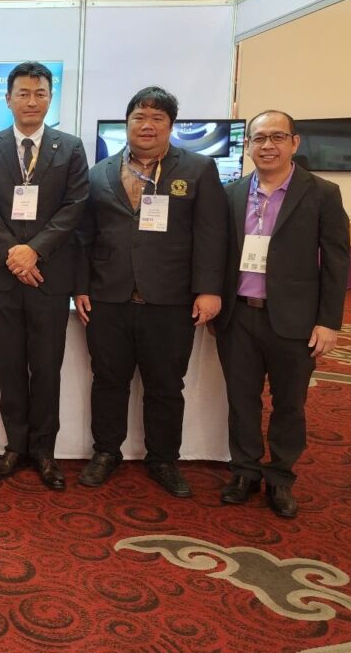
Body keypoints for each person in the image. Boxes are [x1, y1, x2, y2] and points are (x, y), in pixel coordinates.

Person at [74, 86, 227, 498]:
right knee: (108, 381)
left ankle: (163, 459)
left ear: (171, 126)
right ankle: (106, 452)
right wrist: (81, 287)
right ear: (127, 124)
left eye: (158, 118)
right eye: (139, 117)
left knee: (165, 386)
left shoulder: (197, 169)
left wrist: (208, 289)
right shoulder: (99, 173)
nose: (147, 125)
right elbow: (85, 236)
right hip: (109, 299)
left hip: (170, 301)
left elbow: (211, 235)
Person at [214, 110, 350, 518]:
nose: (267, 145)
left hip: (295, 320)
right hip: (239, 315)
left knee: (289, 403)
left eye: (277, 137)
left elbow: (337, 262)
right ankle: (244, 471)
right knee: (241, 400)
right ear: (248, 146)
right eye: (259, 138)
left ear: (294, 143)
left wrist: (329, 321)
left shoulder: (322, 193)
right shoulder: (232, 193)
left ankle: (280, 477)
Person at [0, 61, 90, 490]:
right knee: (9, 366)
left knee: (46, 367)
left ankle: (44, 451)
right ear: (8, 99)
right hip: (3, 277)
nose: (31, 101)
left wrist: (34, 251)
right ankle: (14, 446)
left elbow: (75, 206)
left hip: (50, 277)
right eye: (23, 93)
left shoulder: (70, 147)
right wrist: (13, 254)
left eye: (40, 93)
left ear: (50, 98)